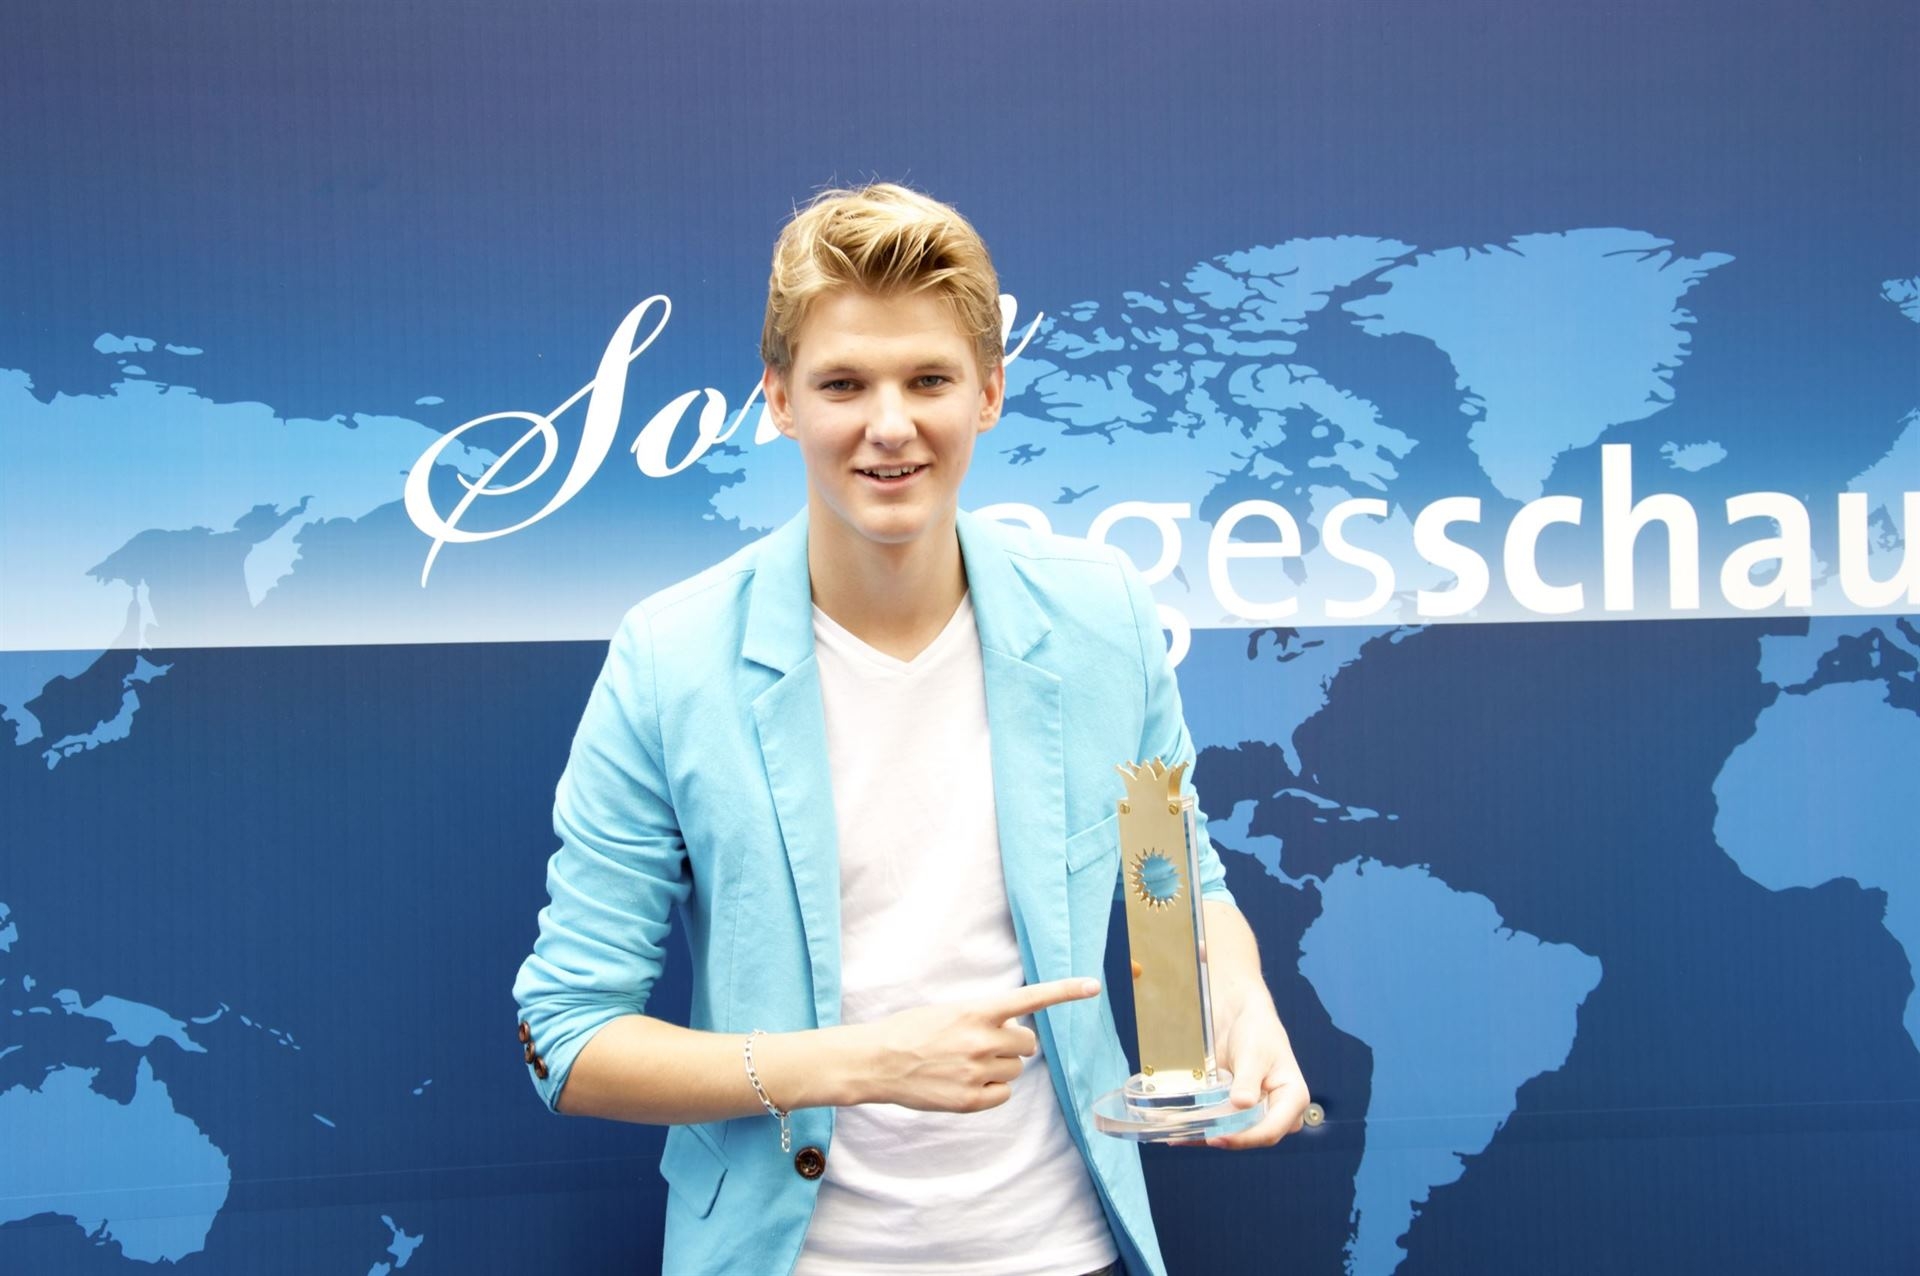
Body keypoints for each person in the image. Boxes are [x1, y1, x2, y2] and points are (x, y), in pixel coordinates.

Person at [513, 182, 1310, 1276]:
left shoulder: (1106, 618)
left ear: (989, 391)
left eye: (928, 379)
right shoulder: (670, 658)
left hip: (1063, 1251)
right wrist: (862, 1061)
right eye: (843, 383)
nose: (889, 425)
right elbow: (567, 1039)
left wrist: (1243, 1001)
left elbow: (1177, 882)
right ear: (779, 400)